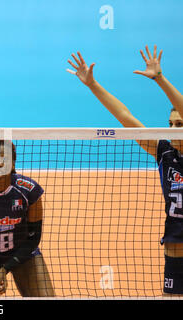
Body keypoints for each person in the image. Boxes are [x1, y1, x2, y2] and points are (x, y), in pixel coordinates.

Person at [67, 45, 183, 295]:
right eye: (171, 124)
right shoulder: (163, 151)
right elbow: (124, 116)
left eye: (180, 124)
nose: (174, 128)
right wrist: (92, 85)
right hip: (176, 240)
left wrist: (160, 79)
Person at [0, 140, 55, 297]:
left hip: (23, 254)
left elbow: (34, 238)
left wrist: (6, 268)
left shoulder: (29, 191)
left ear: (13, 165)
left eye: (4, 158)